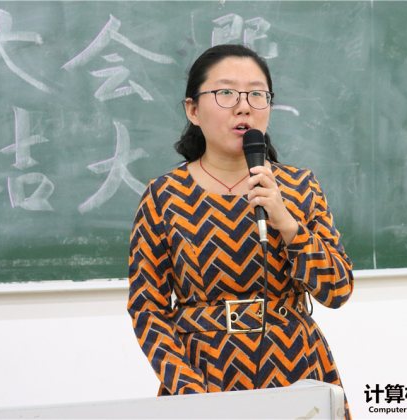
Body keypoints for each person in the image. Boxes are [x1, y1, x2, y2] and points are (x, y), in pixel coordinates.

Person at [128, 44, 354, 419]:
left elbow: (338, 290)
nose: (244, 106)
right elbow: (147, 309)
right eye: (226, 93)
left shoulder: (299, 187)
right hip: (203, 375)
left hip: (295, 369)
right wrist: (189, 391)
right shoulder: (164, 196)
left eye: (256, 94)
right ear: (193, 110)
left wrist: (287, 222)